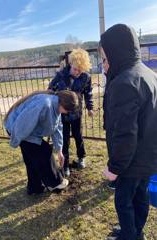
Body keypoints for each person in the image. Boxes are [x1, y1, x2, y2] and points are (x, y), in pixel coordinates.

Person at [101, 24, 157, 240]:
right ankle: (135, 231)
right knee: (141, 197)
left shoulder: (124, 82)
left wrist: (115, 168)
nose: (104, 65)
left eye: (106, 58)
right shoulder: (149, 74)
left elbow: (125, 134)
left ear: (117, 52)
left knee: (123, 201)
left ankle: (129, 235)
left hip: (131, 161)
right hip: (149, 156)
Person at [4, 90, 79, 195]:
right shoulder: (45, 105)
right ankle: (56, 183)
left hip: (28, 130)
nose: (67, 113)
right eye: (68, 110)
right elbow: (23, 123)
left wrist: (59, 150)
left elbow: (57, 127)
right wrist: (15, 140)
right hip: (17, 128)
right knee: (45, 152)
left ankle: (35, 188)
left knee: (32, 158)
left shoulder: (56, 105)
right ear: (63, 104)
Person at [48, 48, 93, 176]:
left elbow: (88, 93)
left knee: (78, 136)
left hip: (77, 113)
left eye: (80, 70)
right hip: (63, 114)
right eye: (75, 69)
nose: (77, 72)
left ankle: (81, 157)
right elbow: (51, 89)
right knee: (64, 139)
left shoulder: (86, 77)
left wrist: (90, 107)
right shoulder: (61, 75)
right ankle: (65, 165)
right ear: (70, 64)